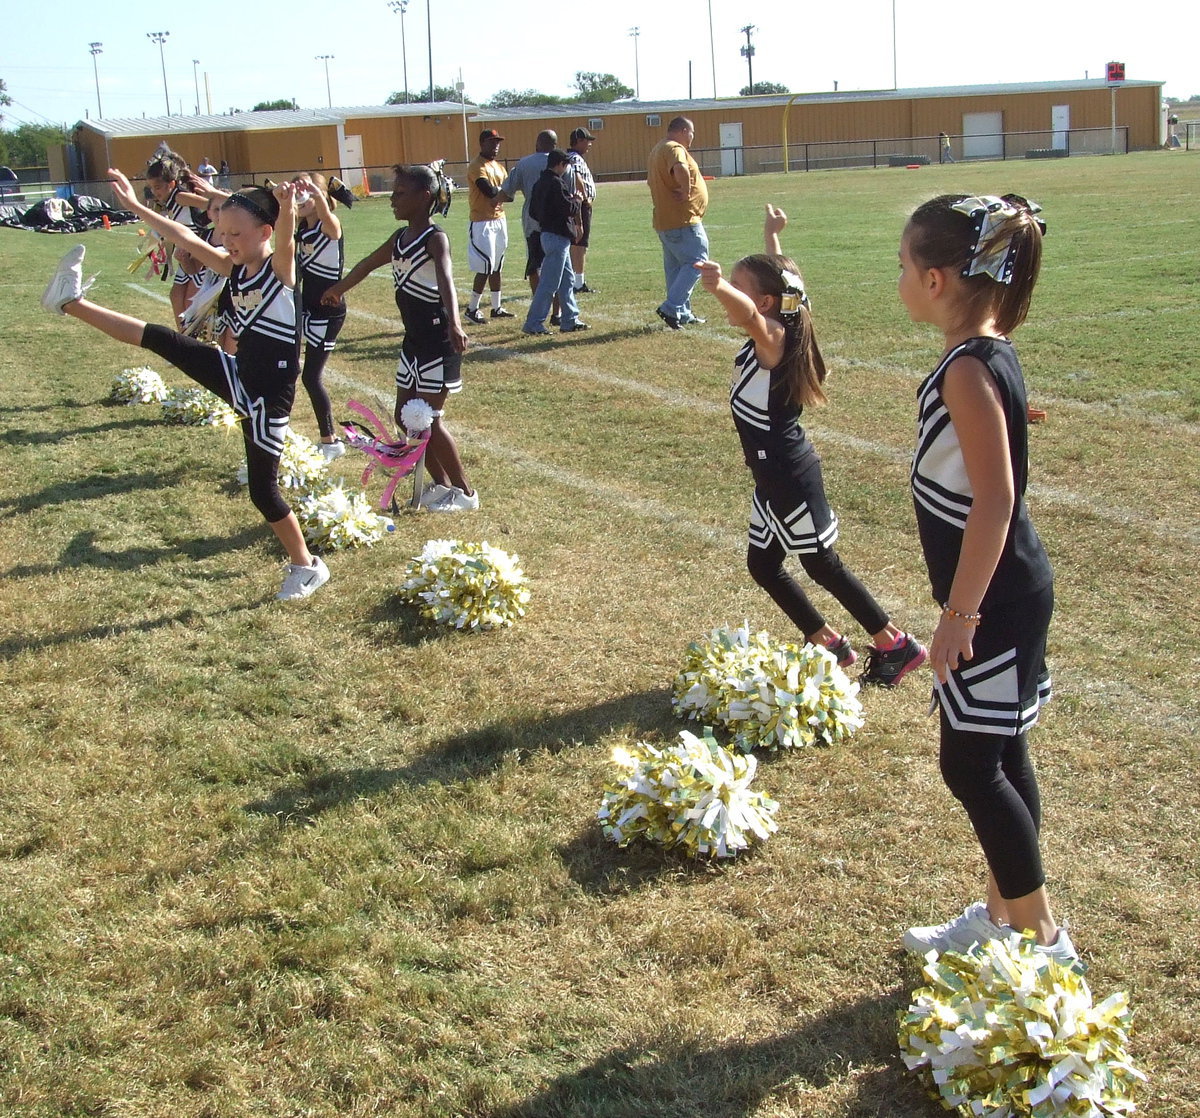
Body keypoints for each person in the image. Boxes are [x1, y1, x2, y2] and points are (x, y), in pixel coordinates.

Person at [896, 193, 1077, 965]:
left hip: (995, 600)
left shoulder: (968, 370)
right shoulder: (986, 352)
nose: (898, 278)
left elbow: (995, 501)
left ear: (937, 280)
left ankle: (1044, 943)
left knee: (969, 762)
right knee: (998, 752)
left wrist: (959, 615)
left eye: (902, 266)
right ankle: (1007, 919)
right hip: (1010, 590)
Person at [41, 169, 331, 602]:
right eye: (222, 232)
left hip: (266, 400)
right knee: (163, 339)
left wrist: (287, 206)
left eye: (235, 233)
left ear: (264, 231)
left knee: (263, 493)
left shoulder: (278, 271)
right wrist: (137, 208)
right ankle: (69, 301)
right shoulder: (234, 269)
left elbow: (286, 241)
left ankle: (307, 567)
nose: (226, 240)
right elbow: (184, 236)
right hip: (238, 375)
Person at [694, 204, 927, 684]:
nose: (734, 291)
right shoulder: (787, 316)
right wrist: (771, 237)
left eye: (742, 287)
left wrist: (719, 287)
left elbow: (754, 314)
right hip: (771, 474)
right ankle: (829, 644)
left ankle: (895, 643)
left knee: (822, 564)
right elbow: (787, 288)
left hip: (788, 474)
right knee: (763, 564)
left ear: (760, 302)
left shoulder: (772, 336)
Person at [323, 165, 477, 512]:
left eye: (400, 193)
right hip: (413, 343)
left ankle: (466, 494)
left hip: (438, 341)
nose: (392, 199)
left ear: (424, 197)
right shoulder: (398, 239)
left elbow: (446, 280)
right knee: (405, 416)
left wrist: (455, 322)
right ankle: (442, 486)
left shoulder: (434, 238)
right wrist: (338, 289)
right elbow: (365, 264)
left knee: (429, 420)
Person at [292, 171, 348, 461]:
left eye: (309, 192)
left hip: (328, 312)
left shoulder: (330, 226)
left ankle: (331, 442)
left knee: (311, 377)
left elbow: (328, 216)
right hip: (306, 309)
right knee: (289, 369)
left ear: (321, 196)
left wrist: (315, 192)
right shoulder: (300, 230)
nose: (302, 197)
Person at [647, 116, 708, 330]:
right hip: (682, 219)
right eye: (691, 132)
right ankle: (671, 307)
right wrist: (686, 189)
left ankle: (683, 313)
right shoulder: (674, 148)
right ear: (683, 131)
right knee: (697, 261)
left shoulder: (658, 149)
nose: (692, 137)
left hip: (666, 220)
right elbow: (680, 167)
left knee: (676, 269)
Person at [522, 149, 586, 336]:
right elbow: (567, 207)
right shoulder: (556, 183)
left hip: (548, 235)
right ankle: (533, 323)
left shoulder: (540, 183)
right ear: (559, 164)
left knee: (567, 280)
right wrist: (577, 200)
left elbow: (533, 211)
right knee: (549, 283)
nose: (566, 168)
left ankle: (570, 318)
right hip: (557, 237)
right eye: (565, 165)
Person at [497, 129, 557, 314]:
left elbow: (507, 193)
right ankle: (558, 312)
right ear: (554, 145)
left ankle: (539, 307)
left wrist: (493, 199)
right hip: (558, 222)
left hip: (533, 221)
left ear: (537, 143)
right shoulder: (563, 163)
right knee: (558, 266)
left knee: (534, 265)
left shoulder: (524, 164)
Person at [146, 152, 204, 328]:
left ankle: (194, 339)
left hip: (200, 255)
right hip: (185, 254)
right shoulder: (170, 201)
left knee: (192, 301)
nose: (155, 192)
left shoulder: (180, 196)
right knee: (176, 295)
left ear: (171, 184)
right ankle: (183, 336)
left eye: (158, 187)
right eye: (152, 188)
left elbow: (211, 205)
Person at [464, 129, 514, 324]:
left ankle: (496, 307)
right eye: (492, 142)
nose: (496, 146)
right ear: (482, 143)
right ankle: (472, 308)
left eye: (497, 142)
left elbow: (508, 195)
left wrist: (499, 194)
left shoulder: (499, 167)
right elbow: (488, 190)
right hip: (482, 221)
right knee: (485, 265)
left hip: (499, 220)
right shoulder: (477, 166)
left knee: (496, 266)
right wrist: (499, 193)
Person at [565, 127, 597, 294]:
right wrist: (586, 198)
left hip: (579, 203)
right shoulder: (574, 158)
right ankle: (578, 282)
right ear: (578, 141)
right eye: (586, 140)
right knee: (580, 243)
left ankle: (576, 281)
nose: (589, 144)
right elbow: (577, 177)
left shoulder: (574, 157)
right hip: (580, 204)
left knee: (578, 243)